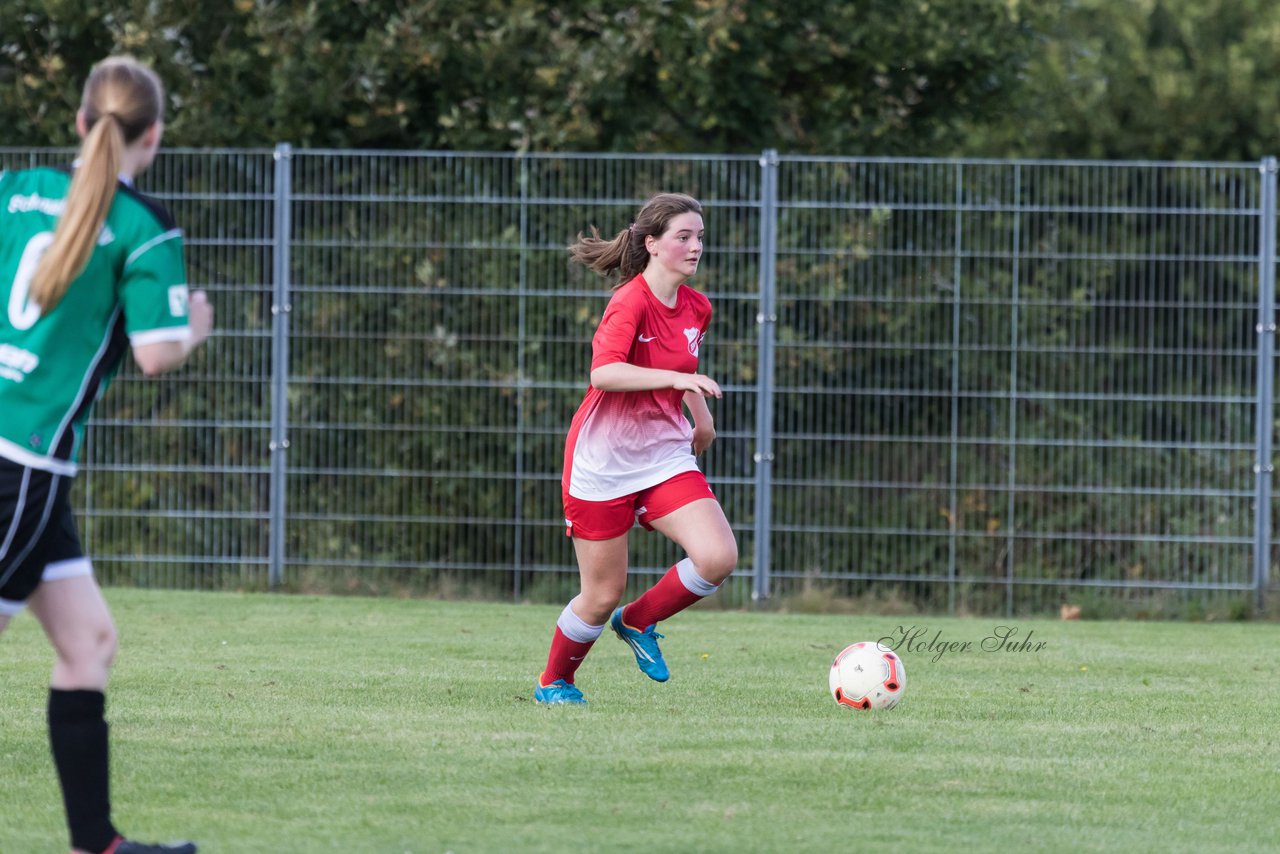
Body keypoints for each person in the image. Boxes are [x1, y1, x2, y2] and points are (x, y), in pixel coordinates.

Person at [0, 56, 213, 854]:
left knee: (88, 642)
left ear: (82, 122)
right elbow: (159, 353)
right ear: (152, 135)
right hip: (18, 464)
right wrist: (194, 322)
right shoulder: (143, 224)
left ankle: (99, 846)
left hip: (28, 470)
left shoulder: (16, 190)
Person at [535, 192, 738, 705]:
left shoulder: (697, 307)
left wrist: (703, 418)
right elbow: (604, 372)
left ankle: (641, 621)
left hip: (664, 454)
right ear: (651, 244)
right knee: (601, 595)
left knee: (716, 557)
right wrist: (675, 378)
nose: (695, 247)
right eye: (683, 237)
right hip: (603, 462)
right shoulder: (629, 301)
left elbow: (685, 375)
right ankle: (555, 683)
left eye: (700, 237)